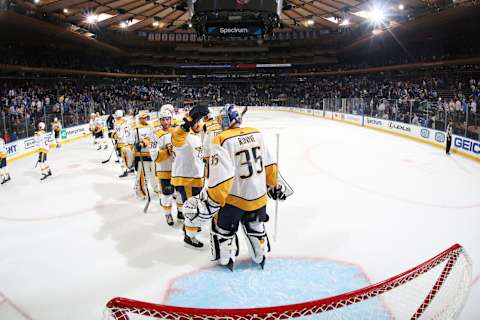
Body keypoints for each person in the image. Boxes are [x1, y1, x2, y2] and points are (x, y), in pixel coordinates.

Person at [182, 104, 288, 270]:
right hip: (259, 198)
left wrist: (212, 200)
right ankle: (259, 255)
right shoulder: (256, 133)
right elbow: (270, 165)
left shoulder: (222, 139)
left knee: (223, 232)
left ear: (226, 119)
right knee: (256, 228)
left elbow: (222, 177)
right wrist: (274, 185)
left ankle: (226, 259)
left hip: (234, 200)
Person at [170, 103, 210, 247]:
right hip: (187, 180)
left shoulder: (198, 136)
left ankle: (189, 226)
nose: (199, 124)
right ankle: (189, 236)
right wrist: (187, 123)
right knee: (191, 208)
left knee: (195, 206)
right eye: (196, 122)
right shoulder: (182, 135)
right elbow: (177, 136)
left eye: (200, 121)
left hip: (197, 179)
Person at [150, 107, 175, 226]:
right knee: (167, 193)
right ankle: (168, 213)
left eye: (167, 119)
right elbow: (154, 155)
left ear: (171, 119)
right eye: (163, 120)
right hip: (164, 170)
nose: (165, 122)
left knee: (180, 194)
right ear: (160, 121)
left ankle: (180, 212)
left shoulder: (177, 132)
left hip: (178, 169)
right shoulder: (155, 134)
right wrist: (167, 151)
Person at [133, 112, 156, 199]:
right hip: (140, 155)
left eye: (146, 117)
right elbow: (131, 141)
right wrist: (136, 146)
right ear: (139, 119)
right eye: (143, 118)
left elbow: (152, 139)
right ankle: (139, 191)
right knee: (141, 174)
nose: (145, 119)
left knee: (152, 174)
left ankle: (156, 188)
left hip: (150, 154)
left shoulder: (151, 127)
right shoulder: (135, 129)